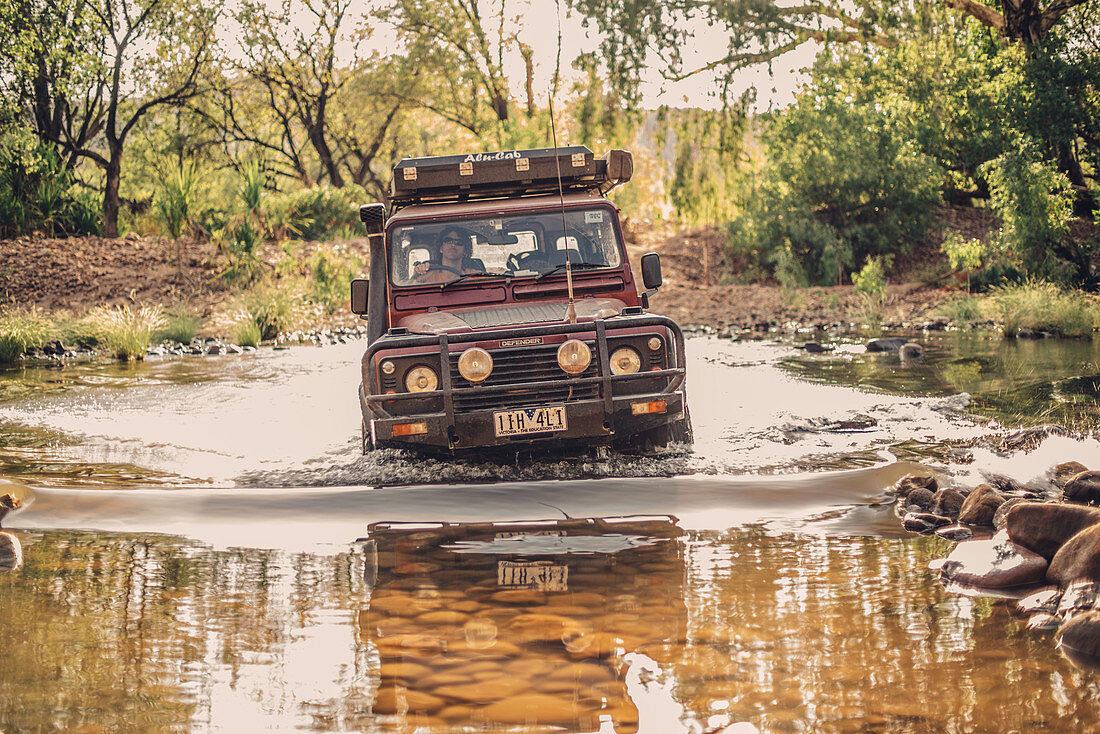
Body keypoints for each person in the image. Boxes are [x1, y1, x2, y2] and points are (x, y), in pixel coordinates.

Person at [415, 228, 483, 283]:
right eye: (448, 241)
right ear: (441, 248)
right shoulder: (428, 273)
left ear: (465, 251)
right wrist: (419, 272)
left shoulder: (473, 276)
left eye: (459, 242)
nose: (453, 245)